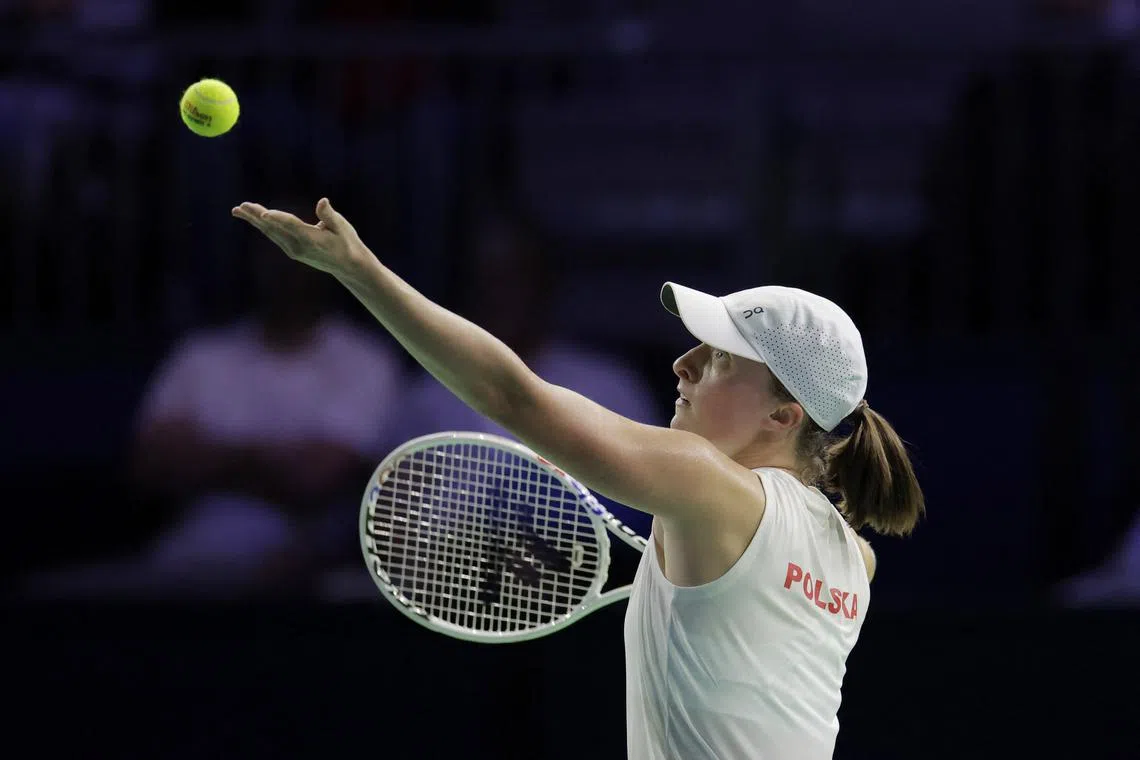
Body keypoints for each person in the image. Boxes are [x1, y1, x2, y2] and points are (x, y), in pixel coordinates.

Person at [232, 197, 925, 758]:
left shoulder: (708, 486)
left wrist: (359, 272)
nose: (681, 366)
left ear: (783, 414)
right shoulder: (851, 553)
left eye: (716, 361)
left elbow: (514, 398)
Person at [128, 233, 405, 597]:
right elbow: (146, 463)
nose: (284, 263)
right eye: (270, 249)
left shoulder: (367, 360)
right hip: (183, 558)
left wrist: (209, 456)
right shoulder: (199, 355)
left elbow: (314, 480)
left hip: (305, 574)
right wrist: (272, 459)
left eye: (299, 246)